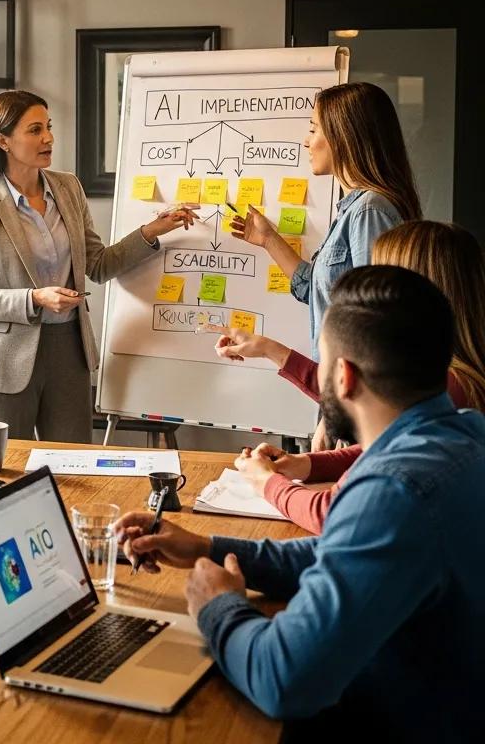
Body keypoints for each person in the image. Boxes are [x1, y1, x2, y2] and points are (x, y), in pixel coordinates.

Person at [115, 266, 485, 739]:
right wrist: (206, 548)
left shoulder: (395, 489)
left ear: (344, 377)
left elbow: (283, 679)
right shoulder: (463, 434)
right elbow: (344, 552)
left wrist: (218, 605)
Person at [0, 89, 197, 443]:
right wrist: (35, 298)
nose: (48, 137)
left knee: (75, 466)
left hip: (70, 350)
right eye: (34, 130)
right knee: (4, 472)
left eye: (48, 127)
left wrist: (151, 231)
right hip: (7, 361)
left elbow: (98, 264)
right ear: (3, 141)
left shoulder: (68, 188)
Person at [214, 220, 485, 532]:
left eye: (384, 276)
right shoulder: (457, 379)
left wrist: (266, 482)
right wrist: (308, 464)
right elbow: (384, 447)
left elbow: (333, 512)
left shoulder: (449, 386)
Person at [231, 82, 420, 363]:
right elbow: (319, 292)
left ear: (344, 135)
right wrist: (269, 239)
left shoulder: (369, 211)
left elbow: (374, 320)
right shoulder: (352, 210)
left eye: (312, 129)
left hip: (356, 393)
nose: (306, 142)